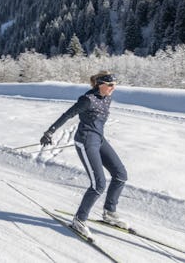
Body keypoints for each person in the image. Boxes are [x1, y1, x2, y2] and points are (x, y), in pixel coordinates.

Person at [39, 71, 128, 238]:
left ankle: (109, 212)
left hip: (99, 139)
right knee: (98, 184)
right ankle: (79, 220)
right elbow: (68, 115)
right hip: (86, 141)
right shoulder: (87, 100)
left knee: (121, 174)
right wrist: (50, 132)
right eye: (110, 85)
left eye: (115, 85)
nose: (113, 88)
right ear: (100, 84)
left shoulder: (107, 98)